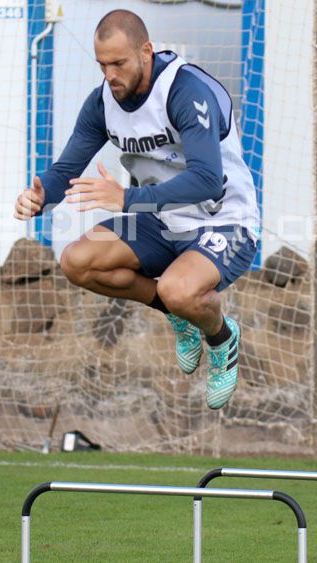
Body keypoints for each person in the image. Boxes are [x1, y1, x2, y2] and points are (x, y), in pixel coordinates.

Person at [13, 10, 260, 410]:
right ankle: (176, 314)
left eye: (119, 63)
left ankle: (221, 337)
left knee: (178, 289)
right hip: (160, 220)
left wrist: (127, 200)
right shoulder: (102, 103)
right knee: (77, 261)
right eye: (102, 65)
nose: (110, 75)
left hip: (224, 220)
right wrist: (40, 197)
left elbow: (207, 179)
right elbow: (65, 171)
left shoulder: (186, 91)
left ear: (146, 51)